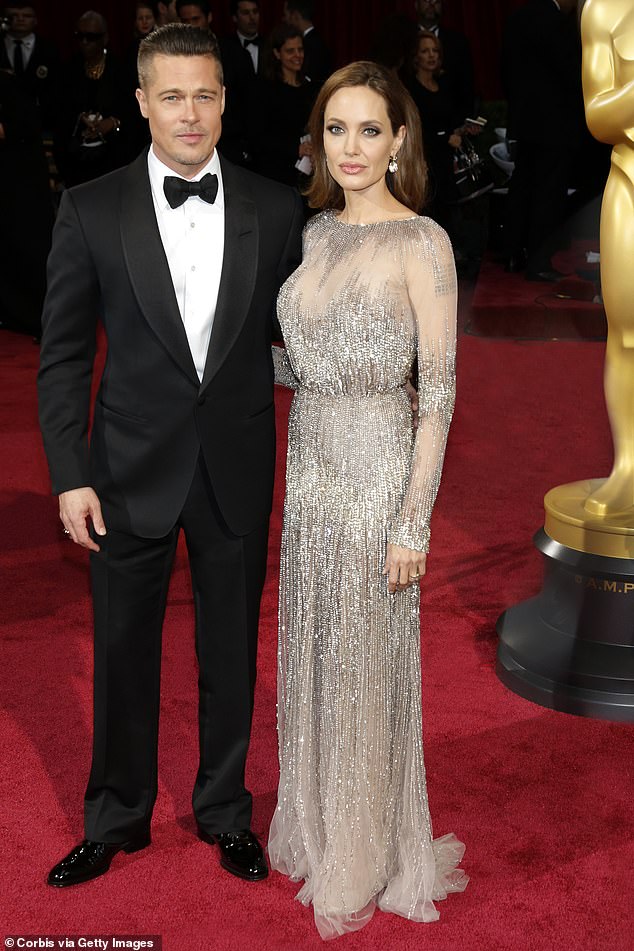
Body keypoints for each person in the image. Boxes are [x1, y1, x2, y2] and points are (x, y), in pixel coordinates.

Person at [39, 23, 303, 888]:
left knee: (231, 650)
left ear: (225, 101)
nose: (190, 113)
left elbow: (306, 333)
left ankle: (227, 810)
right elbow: (65, 355)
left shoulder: (275, 207)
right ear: (142, 101)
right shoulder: (90, 206)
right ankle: (117, 816)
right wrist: (70, 470)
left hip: (234, 464)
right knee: (122, 650)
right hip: (123, 469)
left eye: (205, 94)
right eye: (172, 95)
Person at [268, 60, 468, 938]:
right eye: (337, 128)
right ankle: (321, 819)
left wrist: (412, 522)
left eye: (371, 130)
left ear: (399, 141)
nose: (352, 147)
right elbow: (299, 359)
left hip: (377, 472)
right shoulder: (315, 234)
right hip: (308, 470)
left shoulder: (423, 241)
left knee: (364, 661)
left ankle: (366, 846)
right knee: (318, 652)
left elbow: (441, 393)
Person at [580, 0, 634, 516]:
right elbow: (598, 116)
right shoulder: (603, 10)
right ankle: (629, 469)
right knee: (626, 332)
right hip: (629, 180)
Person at [501, 0, 583, 280]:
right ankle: (539, 262)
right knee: (549, 193)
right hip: (555, 124)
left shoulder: (517, 18)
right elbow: (571, 73)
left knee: (521, 187)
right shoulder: (560, 23)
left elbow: (506, 71)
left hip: (524, 122)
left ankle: (512, 254)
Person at [57, 11, 131, 186]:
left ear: (105, 38)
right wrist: (79, 118)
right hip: (78, 159)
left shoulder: (120, 70)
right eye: (80, 36)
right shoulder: (69, 70)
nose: (84, 42)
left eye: (91, 37)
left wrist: (112, 123)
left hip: (114, 159)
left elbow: (132, 112)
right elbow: (59, 110)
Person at [253, 23, 316, 186]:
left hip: (308, 174)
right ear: (276, 53)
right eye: (290, 51)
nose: (297, 55)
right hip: (276, 176)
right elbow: (257, 137)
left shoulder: (310, 87)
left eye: (300, 49)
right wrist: (295, 148)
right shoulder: (265, 89)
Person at [283, 0, 332, 86]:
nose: (284, 19)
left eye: (285, 15)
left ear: (295, 15)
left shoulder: (313, 45)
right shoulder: (317, 41)